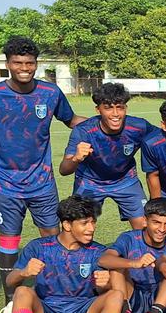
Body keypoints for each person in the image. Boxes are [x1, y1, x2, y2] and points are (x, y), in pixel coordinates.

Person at [0, 36, 85, 313]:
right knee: (9, 240)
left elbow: (71, 120)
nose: (24, 67)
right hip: (5, 183)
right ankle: (12, 299)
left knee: (53, 236)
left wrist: (109, 120)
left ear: (36, 64)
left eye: (29, 62)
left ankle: (52, 291)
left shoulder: (50, 92)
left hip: (42, 182)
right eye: (18, 62)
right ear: (7, 64)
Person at [6, 196, 124, 313]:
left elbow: (103, 293)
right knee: (22, 292)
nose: (91, 228)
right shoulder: (38, 247)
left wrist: (105, 285)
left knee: (116, 295)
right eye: (85, 223)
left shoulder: (98, 251)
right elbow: (10, 281)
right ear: (67, 225)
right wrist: (24, 273)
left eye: (93, 222)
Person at [60, 82, 154, 230]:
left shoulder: (139, 126)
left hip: (126, 180)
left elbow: (162, 139)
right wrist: (76, 158)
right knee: (78, 228)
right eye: (108, 108)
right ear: (98, 110)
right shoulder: (83, 131)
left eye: (120, 107)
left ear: (125, 108)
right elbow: (64, 170)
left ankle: (139, 252)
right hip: (90, 182)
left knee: (145, 227)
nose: (115, 114)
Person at [98, 198, 166, 313]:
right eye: (156, 222)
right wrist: (133, 263)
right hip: (132, 298)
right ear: (144, 221)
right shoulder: (128, 238)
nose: (162, 229)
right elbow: (104, 259)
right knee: (117, 266)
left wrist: (165, 267)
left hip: (162, 299)